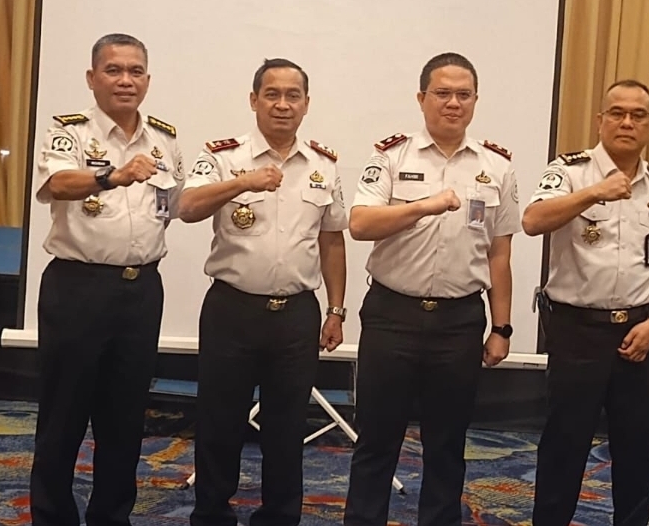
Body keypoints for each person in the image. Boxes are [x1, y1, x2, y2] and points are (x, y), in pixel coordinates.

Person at [344, 52, 518, 526]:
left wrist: (502, 326)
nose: (453, 103)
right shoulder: (391, 156)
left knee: (447, 442)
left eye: (463, 94)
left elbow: (499, 254)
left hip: (459, 321)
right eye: (442, 93)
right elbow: (360, 224)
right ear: (422, 98)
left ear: (476, 101)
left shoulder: (497, 166)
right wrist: (423, 206)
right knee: (377, 438)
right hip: (393, 315)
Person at [179, 58, 348, 526]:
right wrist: (243, 182)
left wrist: (336, 309)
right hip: (232, 308)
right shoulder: (223, 156)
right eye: (272, 94)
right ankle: (211, 515)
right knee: (220, 421)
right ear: (254, 100)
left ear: (306, 104)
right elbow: (187, 207)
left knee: (287, 426)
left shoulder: (323, 164)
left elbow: (332, 240)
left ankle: (279, 517)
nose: (282, 104)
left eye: (293, 95)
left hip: (296, 313)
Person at [30, 33, 185, 526]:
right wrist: (110, 176)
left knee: (125, 420)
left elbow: (175, 205)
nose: (125, 80)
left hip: (141, 291)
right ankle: (53, 517)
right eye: (114, 70)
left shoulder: (165, 139)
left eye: (135, 71)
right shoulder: (69, 132)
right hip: (79, 289)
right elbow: (56, 184)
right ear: (92, 78)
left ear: (148, 80)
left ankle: (111, 517)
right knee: (63, 418)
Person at [522, 79, 649, 526]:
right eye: (617, 113)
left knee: (637, 447)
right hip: (577, 331)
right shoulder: (569, 172)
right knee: (564, 445)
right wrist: (593, 193)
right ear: (600, 121)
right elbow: (533, 221)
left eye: (638, 115)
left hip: (640, 333)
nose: (626, 122)